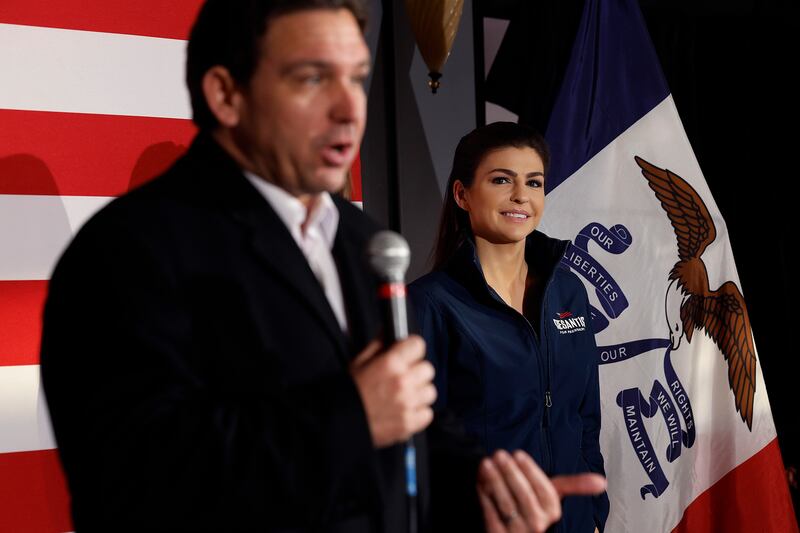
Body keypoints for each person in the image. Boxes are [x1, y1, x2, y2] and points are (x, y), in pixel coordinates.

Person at [40, 1, 603, 530]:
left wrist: (478, 484)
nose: (348, 107)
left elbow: (410, 427)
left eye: (357, 78)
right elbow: (133, 482)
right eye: (312, 79)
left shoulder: (360, 241)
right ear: (226, 94)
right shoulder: (130, 250)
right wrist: (351, 418)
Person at [410, 122, 610, 532]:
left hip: (571, 519)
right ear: (463, 195)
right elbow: (419, 445)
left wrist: (592, 512)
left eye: (534, 182)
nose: (521, 195)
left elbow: (585, 416)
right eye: (502, 180)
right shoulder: (430, 304)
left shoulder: (569, 291)